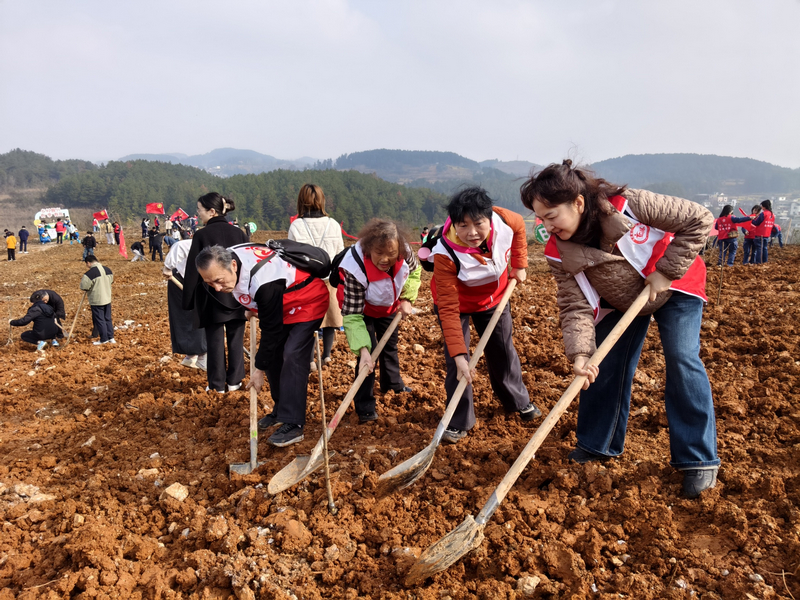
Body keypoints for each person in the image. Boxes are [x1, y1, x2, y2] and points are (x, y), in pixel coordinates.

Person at [520, 160, 719, 499]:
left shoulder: (629, 204)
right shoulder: (559, 252)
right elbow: (575, 305)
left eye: (552, 216)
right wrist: (581, 353)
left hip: (675, 283)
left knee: (681, 358)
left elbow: (699, 219)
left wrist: (667, 271)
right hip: (621, 297)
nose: (547, 226)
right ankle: (597, 445)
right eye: (541, 219)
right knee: (603, 363)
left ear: (578, 203)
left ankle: (697, 459)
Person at [423, 186, 541, 444]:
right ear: (454, 224)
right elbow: (448, 308)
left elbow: (521, 229)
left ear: (489, 218)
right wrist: (459, 354)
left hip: (494, 299)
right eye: (463, 226)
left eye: (478, 223)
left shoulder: (506, 220)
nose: (472, 232)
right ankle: (458, 419)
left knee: (502, 350)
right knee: (459, 363)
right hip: (458, 305)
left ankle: (517, 401)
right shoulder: (445, 254)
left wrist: (520, 264)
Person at [195, 243, 329, 447]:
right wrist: (250, 306)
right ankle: (280, 410)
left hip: (307, 300)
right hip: (281, 303)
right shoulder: (231, 255)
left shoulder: (264, 281)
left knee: (293, 354)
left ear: (233, 265)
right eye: (210, 283)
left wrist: (258, 369)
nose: (217, 288)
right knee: (274, 356)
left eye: (219, 281)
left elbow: (271, 331)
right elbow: (257, 301)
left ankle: (293, 424)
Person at [338, 219, 421, 422]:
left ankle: (392, 385)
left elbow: (415, 272)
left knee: (389, 344)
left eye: (391, 254)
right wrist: (363, 350)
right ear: (368, 249)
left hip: (388, 305)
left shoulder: (406, 252)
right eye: (379, 253)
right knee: (368, 355)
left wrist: (407, 298)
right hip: (361, 310)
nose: (385, 259)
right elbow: (352, 317)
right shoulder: (355, 268)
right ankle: (365, 405)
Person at [182, 193, 248, 393]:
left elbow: (194, 269)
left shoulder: (202, 235)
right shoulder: (239, 233)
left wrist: (187, 301)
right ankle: (235, 382)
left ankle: (217, 385)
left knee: (215, 342)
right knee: (236, 339)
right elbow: (246, 264)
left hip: (211, 296)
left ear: (212, 211)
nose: (198, 214)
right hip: (237, 295)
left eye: (200, 210)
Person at [287, 184, 345, 366]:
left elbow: (291, 255)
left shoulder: (296, 225)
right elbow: (340, 253)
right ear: (322, 201)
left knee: (308, 319)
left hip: (306, 280)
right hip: (329, 279)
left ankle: (311, 359)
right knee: (330, 318)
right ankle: (326, 355)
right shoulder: (333, 224)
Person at [163, 239, 207, 371]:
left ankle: (194, 355)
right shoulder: (196, 243)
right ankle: (199, 356)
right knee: (191, 315)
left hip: (198, 282)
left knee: (197, 315)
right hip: (181, 281)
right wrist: (167, 267)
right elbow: (179, 246)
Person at [80, 255, 115, 345]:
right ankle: (111, 337)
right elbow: (111, 281)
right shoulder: (108, 270)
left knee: (100, 320)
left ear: (88, 263)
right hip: (107, 298)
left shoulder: (89, 274)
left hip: (97, 300)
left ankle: (104, 339)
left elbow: (84, 286)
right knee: (108, 318)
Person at [751, 200, 775, 264]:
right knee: (764, 248)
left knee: (759, 248)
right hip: (767, 234)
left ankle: (758, 262)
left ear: (764, 207)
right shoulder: (772, 215)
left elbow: (756, 223)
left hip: (760, 234)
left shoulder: (763, 214)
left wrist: (751, 220)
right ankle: (765, 261)